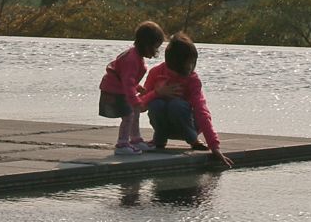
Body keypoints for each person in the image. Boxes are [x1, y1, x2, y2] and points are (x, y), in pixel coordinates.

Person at [137, 32, 233, 168]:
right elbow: (140, 106)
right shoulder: (156, 73)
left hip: (190, 125)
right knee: (156, 103)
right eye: (185, 67)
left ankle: (193, 140)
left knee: (176, 105)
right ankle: (159, 139)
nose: (187, 71)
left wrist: (214, 146)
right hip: (166, 126)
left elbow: (201, 111)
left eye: (191, 66)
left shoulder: (192, 79)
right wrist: (157, 93)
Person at [98, 21, 165, 154]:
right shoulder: (132, 59)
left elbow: (127, 79)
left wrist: (137, 87)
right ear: (146, 45)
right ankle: (122, 144)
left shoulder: (136, 56)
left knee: (134, 112)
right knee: (128, 114)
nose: (156, 51)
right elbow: (127, 82)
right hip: (114, 91)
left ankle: (135, 139)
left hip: (120, 88)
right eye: (155, 47)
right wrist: (135, 100)